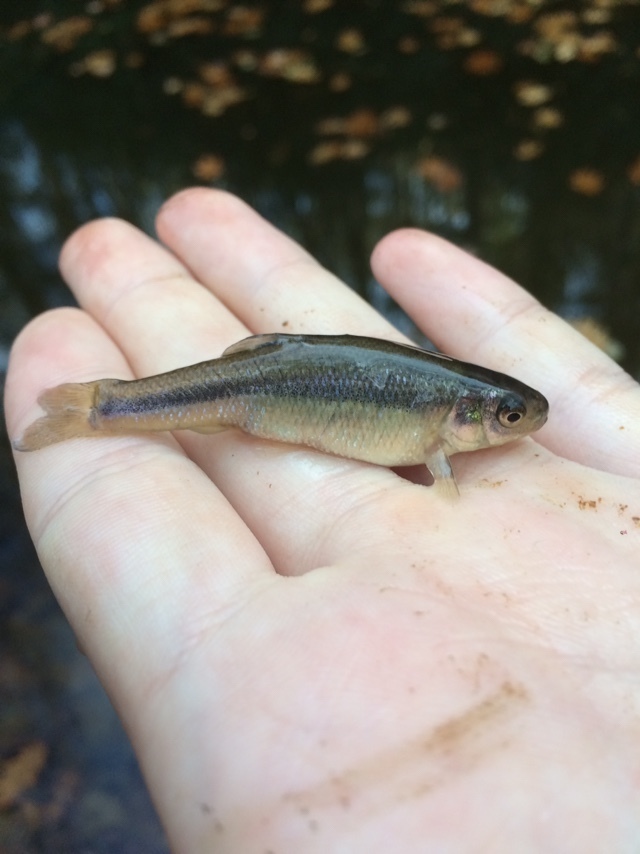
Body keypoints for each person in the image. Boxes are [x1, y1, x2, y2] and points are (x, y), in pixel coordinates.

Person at [5, 189, 640, 851]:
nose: (517, 426)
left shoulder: (441, 415)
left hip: (265, 382)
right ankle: (102, 409)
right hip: (258, 387)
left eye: (512, 416)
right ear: (466, 413)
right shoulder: (439, 424)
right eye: (509, 417)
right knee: (198, 401)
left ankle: (104, 407)